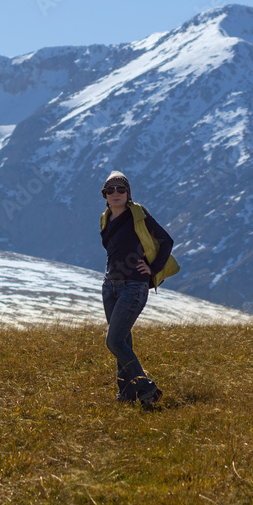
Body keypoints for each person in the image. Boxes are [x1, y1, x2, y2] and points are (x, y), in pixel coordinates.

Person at [99, 170, 174, 409]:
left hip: (134, 285)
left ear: (128, 193)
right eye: (110, 190)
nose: (116, 193)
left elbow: (166, 241)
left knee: (114, 341)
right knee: (123, 341)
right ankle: (126, 394)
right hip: (110, 286)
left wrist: (153, 269)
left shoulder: (138, 215)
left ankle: (146, 388)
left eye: (121, 189)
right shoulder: (105, 218)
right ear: (105, 195)